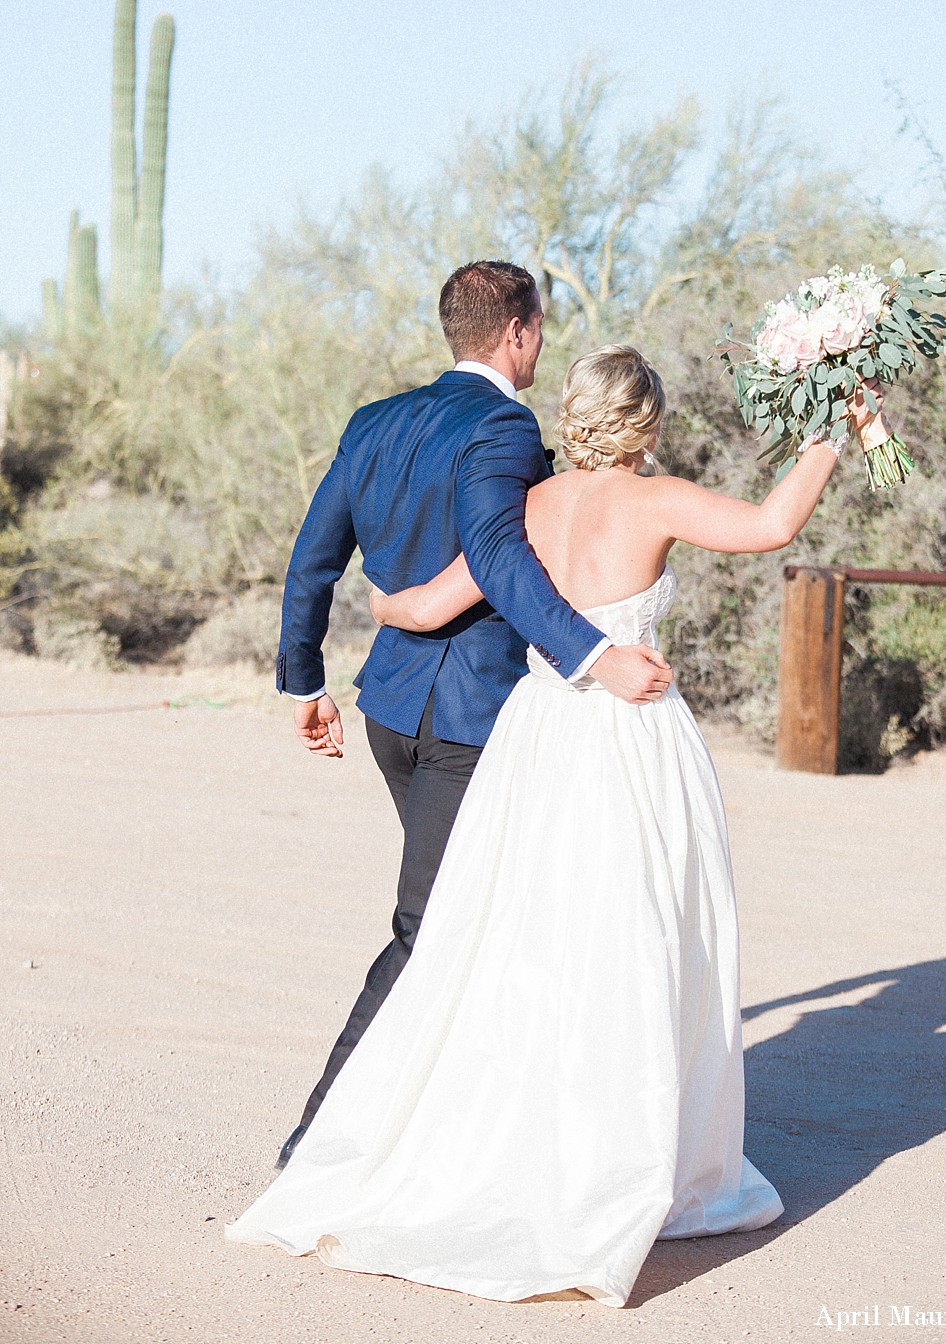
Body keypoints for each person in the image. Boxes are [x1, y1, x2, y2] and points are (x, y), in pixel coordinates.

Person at [228, 345, 862, 1305]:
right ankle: (611, 1159)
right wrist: (832, 428)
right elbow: (773, 525)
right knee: (633, 939)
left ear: (572, 416)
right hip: (627, 739)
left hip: (532, 736)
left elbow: (436, 597)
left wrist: (386, 604)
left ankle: (499, 1138)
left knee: (518, 936)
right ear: (645, 422)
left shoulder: (526, 507)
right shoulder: (657, 501)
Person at [272, 264, 673, 1171]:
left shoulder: (373, 423)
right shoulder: (500, 426)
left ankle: (461, 1122)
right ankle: (318, 1142)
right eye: (539, 328)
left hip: (389, 712)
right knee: (430, 927)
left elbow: (312, 559)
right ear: (519, 332)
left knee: (486, 912)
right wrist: (592, 654)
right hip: (468, 723)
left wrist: (305, 682)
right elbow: (496, 551)